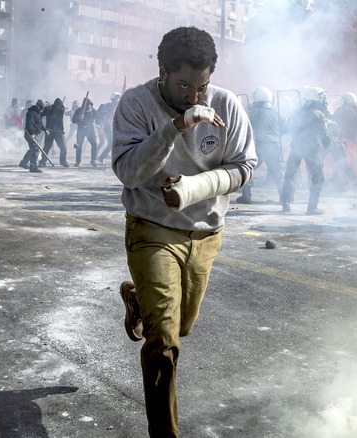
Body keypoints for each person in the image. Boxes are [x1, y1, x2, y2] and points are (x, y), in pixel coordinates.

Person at [112, 26, 255, 437]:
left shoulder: (226, 104)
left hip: (205, 233)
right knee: (164, 342)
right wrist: (175, 126)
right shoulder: (136, 103)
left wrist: (196, 187)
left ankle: (139, 297)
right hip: (153, 229)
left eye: (202, 86)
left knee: (183, 326)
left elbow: (245, 167)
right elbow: (128, 171)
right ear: (161, 70)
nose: (194, 96)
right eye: (183, 85)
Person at [280, 86, 331, 214]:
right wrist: (327, 142)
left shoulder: (297, 112)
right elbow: (324, 134)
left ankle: (285, 204)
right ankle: (312, 208)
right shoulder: (319, 114)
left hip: (296, 146)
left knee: (290, 175)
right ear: (317, 98)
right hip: (311, 149)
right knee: (318, 176)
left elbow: (287, 127)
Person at [236, 86, 282, 203]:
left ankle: (246, 196)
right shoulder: (275, 112)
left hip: (262, 147)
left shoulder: (256, 112)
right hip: (275, 147)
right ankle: (285, 198)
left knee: (248, 168)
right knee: (277, 173)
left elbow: (247, 124)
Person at [18, 99, 49, 173]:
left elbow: (40, 124)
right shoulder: (31, 112)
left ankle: (23, 162)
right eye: (41, 107)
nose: (42, 109)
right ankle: (33, 166)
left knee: (32, 149)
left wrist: (45, 130)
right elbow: (29, 123)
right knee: (35, 149)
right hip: (30, 134)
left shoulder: (38, 113)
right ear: (38, 105)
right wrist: (31, 133)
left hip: (35, 133)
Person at [40, 98, 68, 167]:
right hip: (50, 131)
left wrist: (48, 108)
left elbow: (61, 109)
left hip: (59, 131)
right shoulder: (50, 108)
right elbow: (41, 115)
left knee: (63, 147)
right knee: (47, 147)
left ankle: (63, 161)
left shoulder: (61, 109)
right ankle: (43, 161)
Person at [71, 97, 98, 167]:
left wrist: (99, 124)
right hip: (81, 130)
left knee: (94, 144)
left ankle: (93, 160)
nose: (88, 107)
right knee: (79, 145)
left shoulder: (93, 111)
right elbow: (73, 120)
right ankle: (78, 161)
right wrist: (79, 118)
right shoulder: (79, 111)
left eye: (89, 105)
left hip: (90, 130)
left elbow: (97, 119)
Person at [96, 92, 122, 164]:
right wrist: (100, 125)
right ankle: (101, 157)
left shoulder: (117, 107)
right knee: (111, 143)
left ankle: (103, 157)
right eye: (117, 99)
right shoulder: (107, 106)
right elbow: (101, 116)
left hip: (114, 127)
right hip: (108, 126)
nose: (118, 100)